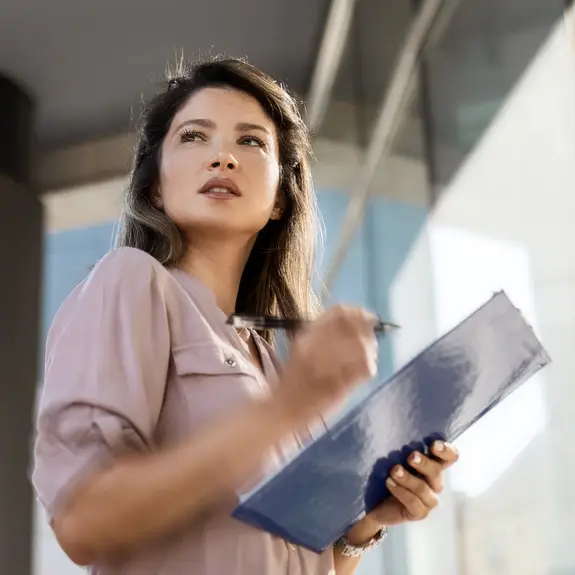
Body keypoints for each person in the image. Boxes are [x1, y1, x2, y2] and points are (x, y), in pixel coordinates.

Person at [32, 57, 459, 575]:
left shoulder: (274, 365)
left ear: (281, 196)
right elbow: (83, 522)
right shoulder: (133, 282)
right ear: (154, 187)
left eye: (251, 142)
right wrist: (283, 410)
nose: (223, 158)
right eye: (194, 137)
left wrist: (365, 526)